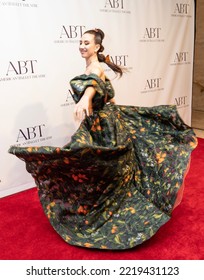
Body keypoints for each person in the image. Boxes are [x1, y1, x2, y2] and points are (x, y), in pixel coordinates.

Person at [8, 28, 197, 250]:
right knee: (102, 165)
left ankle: (109, 212)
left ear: (97, 46)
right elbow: (110, 95)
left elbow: (93, 85)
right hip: (104, 122)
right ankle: (105, 203)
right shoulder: (95, 67)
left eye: (86, 42)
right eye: (80, 41)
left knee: (94, 164)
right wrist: (120, 115)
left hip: (100, 125)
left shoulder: (96, 68)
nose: (81, 45)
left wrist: (85, 100)